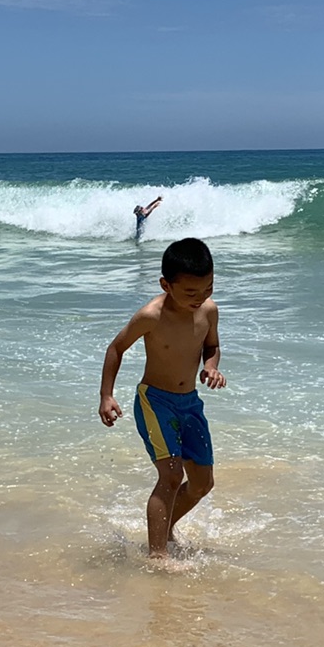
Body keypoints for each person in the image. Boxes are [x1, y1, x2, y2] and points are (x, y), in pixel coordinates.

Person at [98, 237, 225, 558]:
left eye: (208, 288)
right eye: (191, 292)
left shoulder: (209, 311)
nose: (200, 298)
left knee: (201, 484)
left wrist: (211, 367)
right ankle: (158, 556)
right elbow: (116, 348)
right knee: (170, 475)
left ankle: (166, 528)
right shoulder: (151, 315)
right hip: (155, 401)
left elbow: (211, 346)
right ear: (166, 285)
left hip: (190, 403)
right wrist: (106, 395)